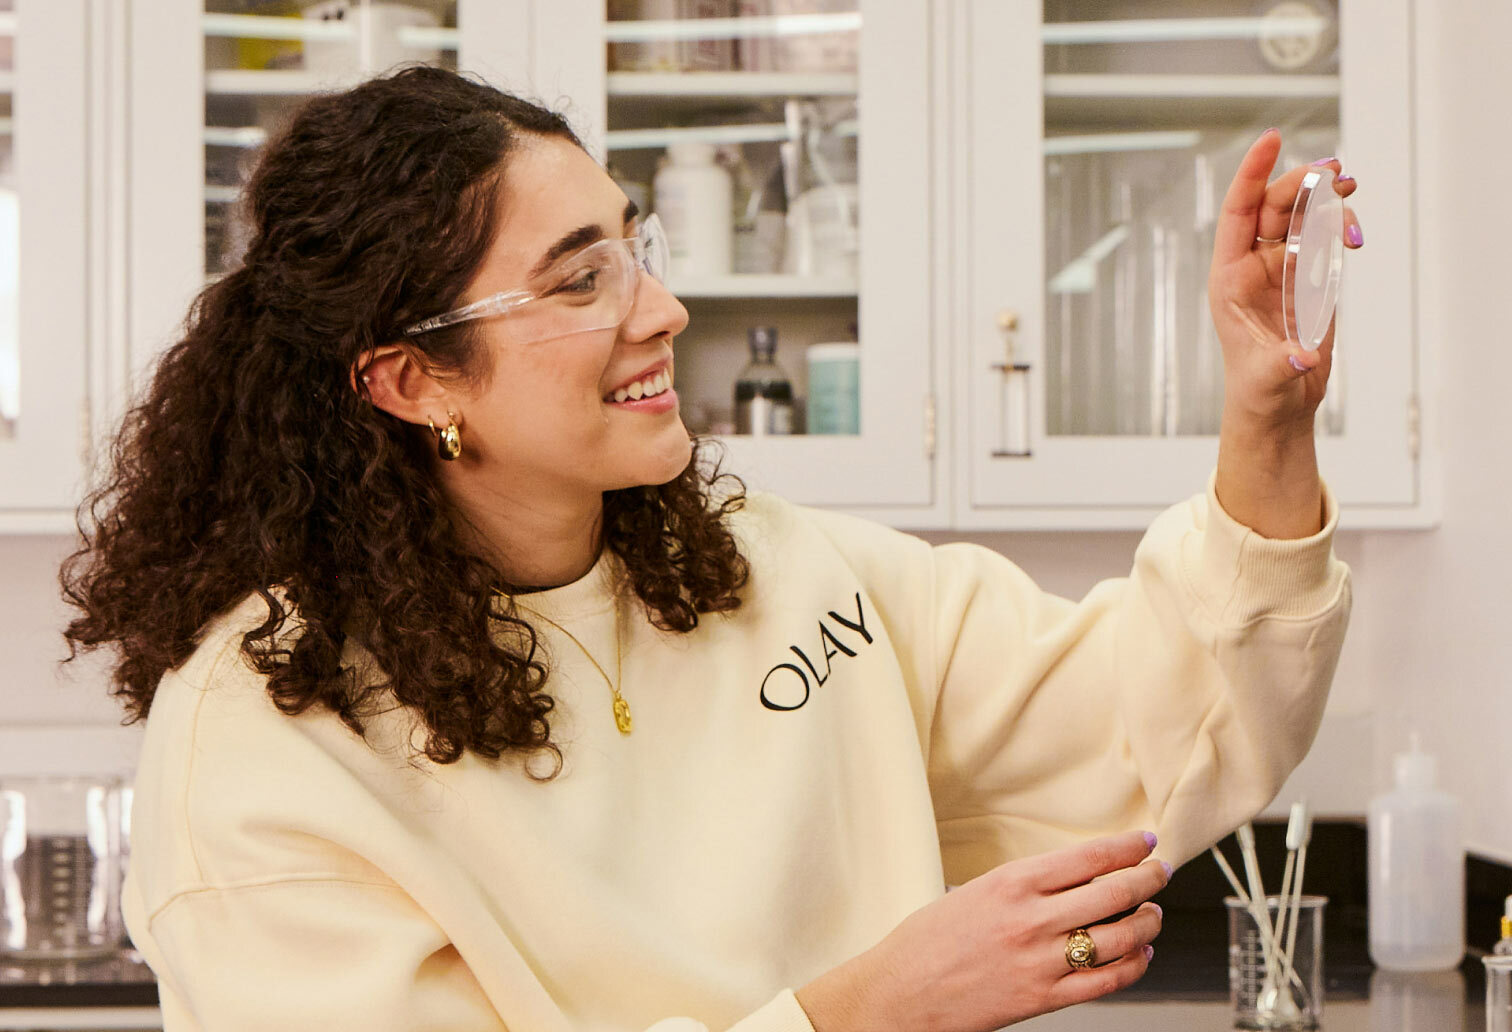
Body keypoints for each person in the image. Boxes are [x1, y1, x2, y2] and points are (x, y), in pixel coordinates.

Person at [60, 67, 1358, 1032]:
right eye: (580, 282)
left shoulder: (775, 573)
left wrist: (1266, 417)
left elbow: (1166, 728)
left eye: (636, 247)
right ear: (410, 381)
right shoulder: (262, 738)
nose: (665, 310)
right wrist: (863, 1011)